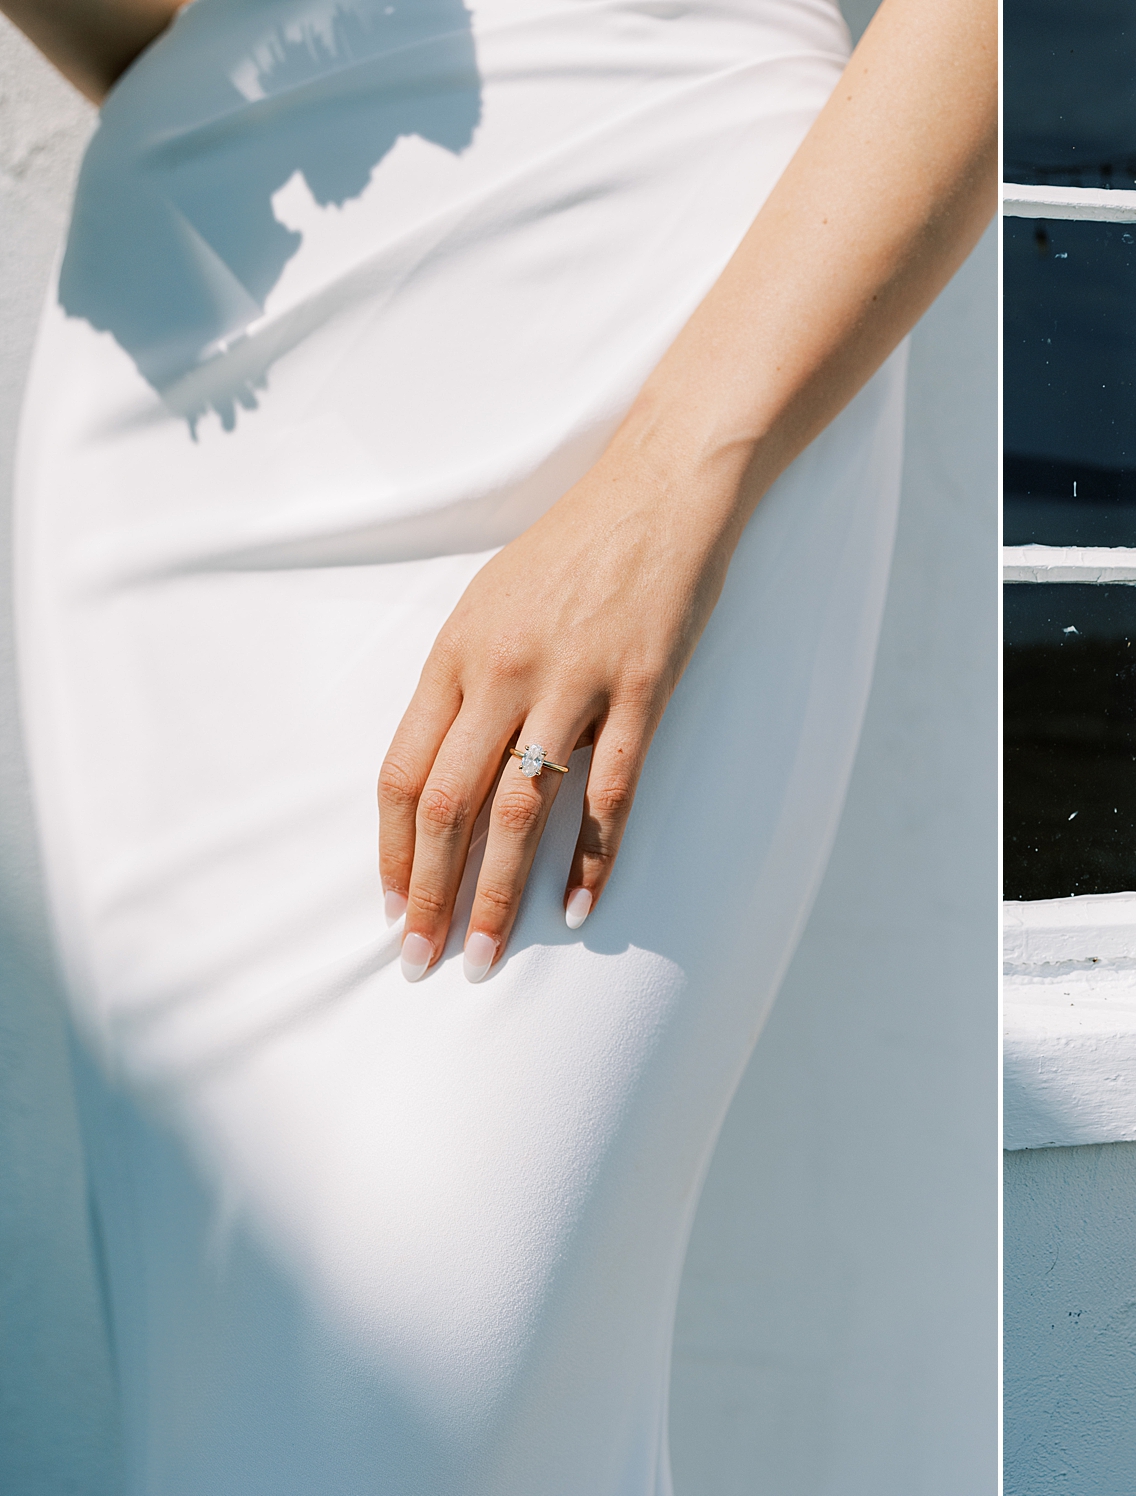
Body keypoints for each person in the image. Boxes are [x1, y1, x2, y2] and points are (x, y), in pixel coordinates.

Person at [6, 0, 994, 1489]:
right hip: (194, 329)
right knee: (223, 1394)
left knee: (414, 1409)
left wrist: (673, 479)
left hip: (653, 296)